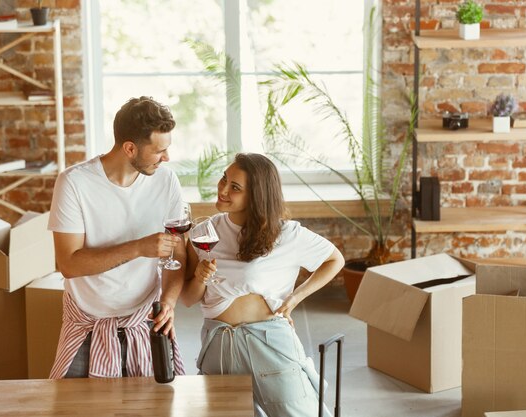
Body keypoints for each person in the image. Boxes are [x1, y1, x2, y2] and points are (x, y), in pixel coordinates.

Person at [182, 153, 345, 417]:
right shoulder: (204, 233)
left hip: (269, 343)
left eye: (235, 187)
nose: (223, 189)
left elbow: (334, 259)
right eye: (224, 179)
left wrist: (294, 299)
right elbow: (188, 299)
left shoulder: (287, 234)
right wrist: (200, 276)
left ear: (255, 196)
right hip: (219, 344)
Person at [48, 96, 186, 379]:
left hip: (146, 321)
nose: (167, 158)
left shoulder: (166, 180)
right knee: (72, 409)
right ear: (130, 148)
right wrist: (138, 248)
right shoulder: (74, 183)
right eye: (159, 150)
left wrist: (169, 302)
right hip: (87, 325)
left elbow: (178, 254)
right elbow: (68, 264)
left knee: (155, 408)